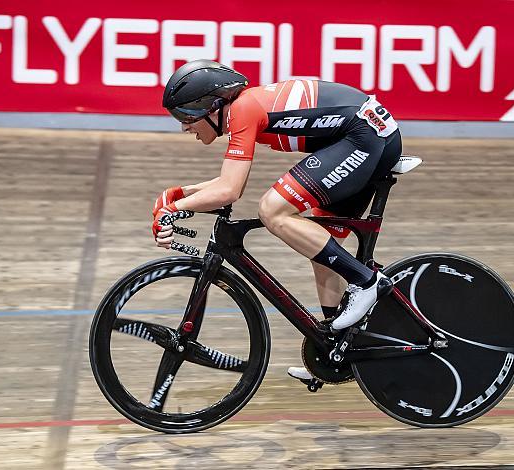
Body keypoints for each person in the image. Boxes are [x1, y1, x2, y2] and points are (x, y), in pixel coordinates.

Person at [153, 60, 402, 382]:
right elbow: (227, 182)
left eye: (186, 116)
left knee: (272, 210)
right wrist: (178, 194)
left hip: (364, 136)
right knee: (320, 244)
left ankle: (367, 282)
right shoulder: (243, 109)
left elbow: (230, 191)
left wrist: (175, 210)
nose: (184, 127)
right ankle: (334, 347)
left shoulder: (243, 110)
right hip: (359, 135)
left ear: (213, 106)